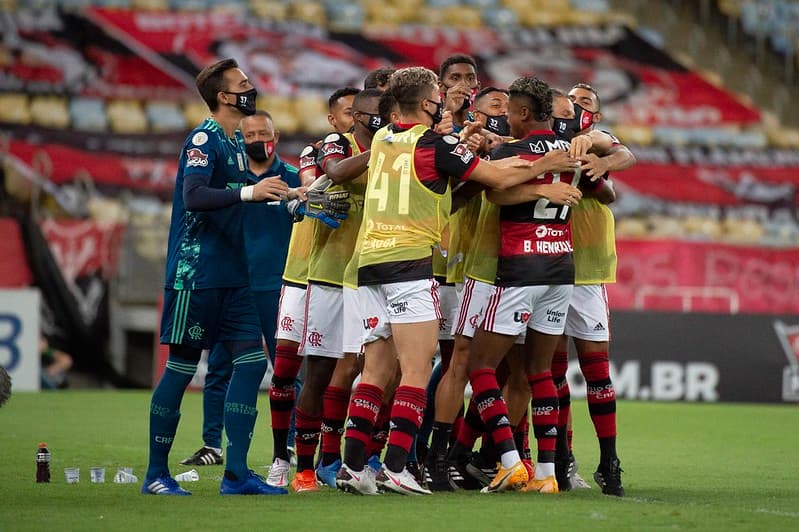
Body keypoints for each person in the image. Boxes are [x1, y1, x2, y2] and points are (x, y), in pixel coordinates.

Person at [335, 66, 579, 496]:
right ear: (429, 103)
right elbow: (497, 179)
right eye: (435, 96)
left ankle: (352, 467)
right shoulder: (434, 143)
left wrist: (462, 148)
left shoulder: (383, 139)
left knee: (374, 371)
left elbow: (437, 179)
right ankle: (396, 466)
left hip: (367, 263)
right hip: (409, 265)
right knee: (415, 368)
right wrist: (545, 165)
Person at [143, 58, 301, 496]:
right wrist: (249, 192)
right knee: (181, 367)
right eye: (244, 83)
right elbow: (194, 196)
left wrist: (287, 194)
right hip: (197, 273)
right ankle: (156, 474)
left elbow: (254, 192)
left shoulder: (235, 141)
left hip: (236, 275)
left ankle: (235, 475)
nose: (252, 87)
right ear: (225, 96)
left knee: (251, 364)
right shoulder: (204, 137)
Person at [465, 76, 585, 495]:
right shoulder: (571, 152)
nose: (507, 120)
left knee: (479, 366)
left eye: (510, 113)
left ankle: (511, 461)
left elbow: (495, 195)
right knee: (540, 372)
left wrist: (527, 183)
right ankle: (548, 474)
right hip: (561, 268)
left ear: (523, 113)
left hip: (520, 268)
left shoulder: (511, 150)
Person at [181, 110, 301, 468]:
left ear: (276, 137)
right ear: (239, 139)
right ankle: (211, 444)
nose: (257, 140)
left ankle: (290, 444)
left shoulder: (293, 177)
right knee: (219, 365)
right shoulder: (231, 181)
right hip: (233, 283)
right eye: (249, 135)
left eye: (264, 133)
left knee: (286, 368)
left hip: (278, 286)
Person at [288, 88, 385, 493]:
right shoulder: (336, 143)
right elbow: (337, 171)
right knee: (320, 372)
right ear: (362, 116)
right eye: (379, 115)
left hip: (373, 274)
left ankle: (346, 458)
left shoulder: (397, 147)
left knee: (372, 370)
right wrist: (383, 151)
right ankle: (306, 467)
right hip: (328, 273)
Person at [266, 87, 360, 488]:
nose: (357, 118)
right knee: (289, 369)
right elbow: (307, 185)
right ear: (333, 120)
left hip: (351, 275)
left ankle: (329, 458)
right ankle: (280, 456)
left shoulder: (384, 149)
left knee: (347, 369)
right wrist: (307, 197)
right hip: (303, 272)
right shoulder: (321, 149)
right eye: (350, 113)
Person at [550, 84, 636, 496]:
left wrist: (600, 167)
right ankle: (562, 459)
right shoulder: (544, 141)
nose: (577, 106)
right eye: (572, 101)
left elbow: (625, 156)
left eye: (586, 103)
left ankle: (609, 459)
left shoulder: (598, 142)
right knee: (550, 370)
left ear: (595, 116)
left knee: (596, 367)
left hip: (588, 269)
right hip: (546, 265)